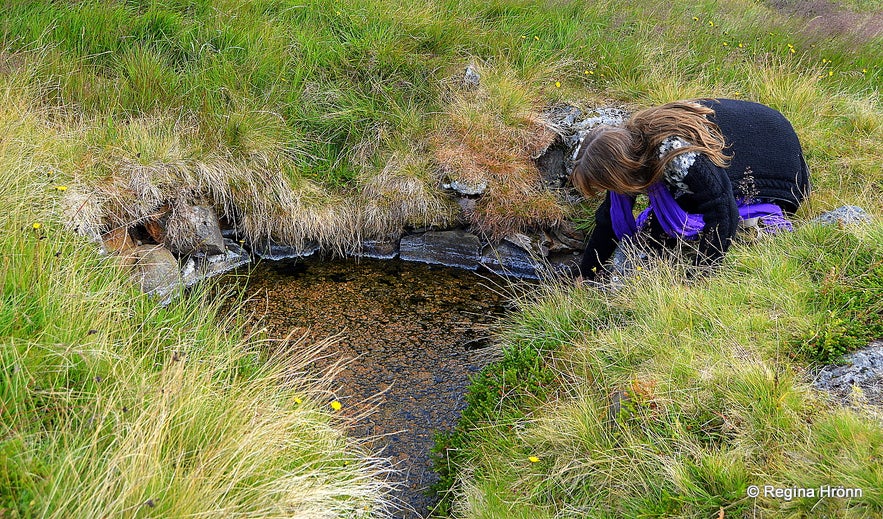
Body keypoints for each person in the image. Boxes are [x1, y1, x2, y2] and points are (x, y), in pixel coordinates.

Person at [571, 98, 811, 281]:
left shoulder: (675, 151)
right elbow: (609, 219)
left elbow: (722, 208)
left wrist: (699, 273)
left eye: (606, 184)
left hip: (777, 164)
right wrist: (585, 276)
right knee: (658, 229)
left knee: (672, 228)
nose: (608, 189)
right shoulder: (628, 148)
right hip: (750, 141)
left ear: (617, 171)